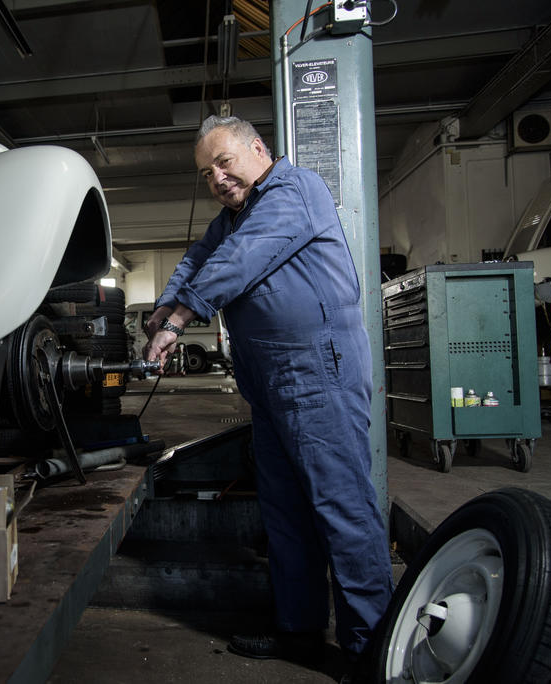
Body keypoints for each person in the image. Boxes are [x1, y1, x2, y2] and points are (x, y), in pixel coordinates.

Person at [143, 115, 393, 673]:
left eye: (225, 162)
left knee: (341, 508)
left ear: (258, 149)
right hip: (269, 381)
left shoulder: (294, 190)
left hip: (317, 373)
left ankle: (370, 649)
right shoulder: (231, 218)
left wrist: (181, 317)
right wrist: (162, 305)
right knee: (284, 512)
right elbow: (198, 259)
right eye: (208, 173)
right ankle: (298, 632)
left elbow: (243, 259)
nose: (218, 179)